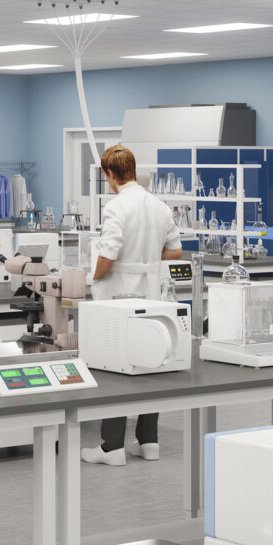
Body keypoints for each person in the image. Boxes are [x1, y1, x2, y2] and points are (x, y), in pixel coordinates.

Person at [82, 144, 183, 467]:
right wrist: (147, 258)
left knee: (113, 369)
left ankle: (111, 447)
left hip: (117, 298)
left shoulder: (116, 207)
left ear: (110, 174)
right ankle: (148, 441)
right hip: (151, 293)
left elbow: (107, 257)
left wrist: (92, 277)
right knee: (148, 364)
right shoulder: (159, 206)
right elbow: (176, 251)